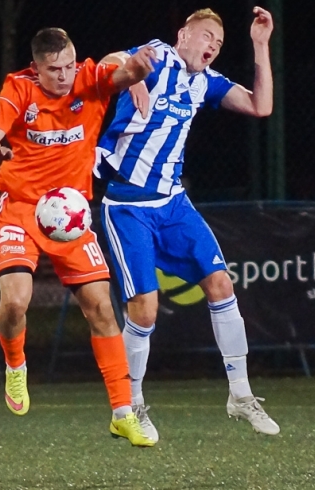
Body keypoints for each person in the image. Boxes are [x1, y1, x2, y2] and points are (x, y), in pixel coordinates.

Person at [94, 7, 280, 441]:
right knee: (145, 308)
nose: (213, 45)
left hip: (173, 204)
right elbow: (105, 62)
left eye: (219, 41)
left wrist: (260, 45)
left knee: (220, 283)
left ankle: (240, 394)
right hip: (127, 205)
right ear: (183, 35)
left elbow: (261, 105)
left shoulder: (204, 83)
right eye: (206, 36)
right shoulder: (158, 54)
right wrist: (134, 73)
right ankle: (131, 405)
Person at [0, 27, 158, 447]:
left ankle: (123, 413)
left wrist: (137, 71)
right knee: (15, 302)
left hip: (70, 216)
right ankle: (16, 364)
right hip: (21, 208)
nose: (63, 76)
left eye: (68, 66)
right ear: (36, 67)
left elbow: (117, 71)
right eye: (53, 69)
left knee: (102, 310)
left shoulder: (87, 80)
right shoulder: (18, 89)